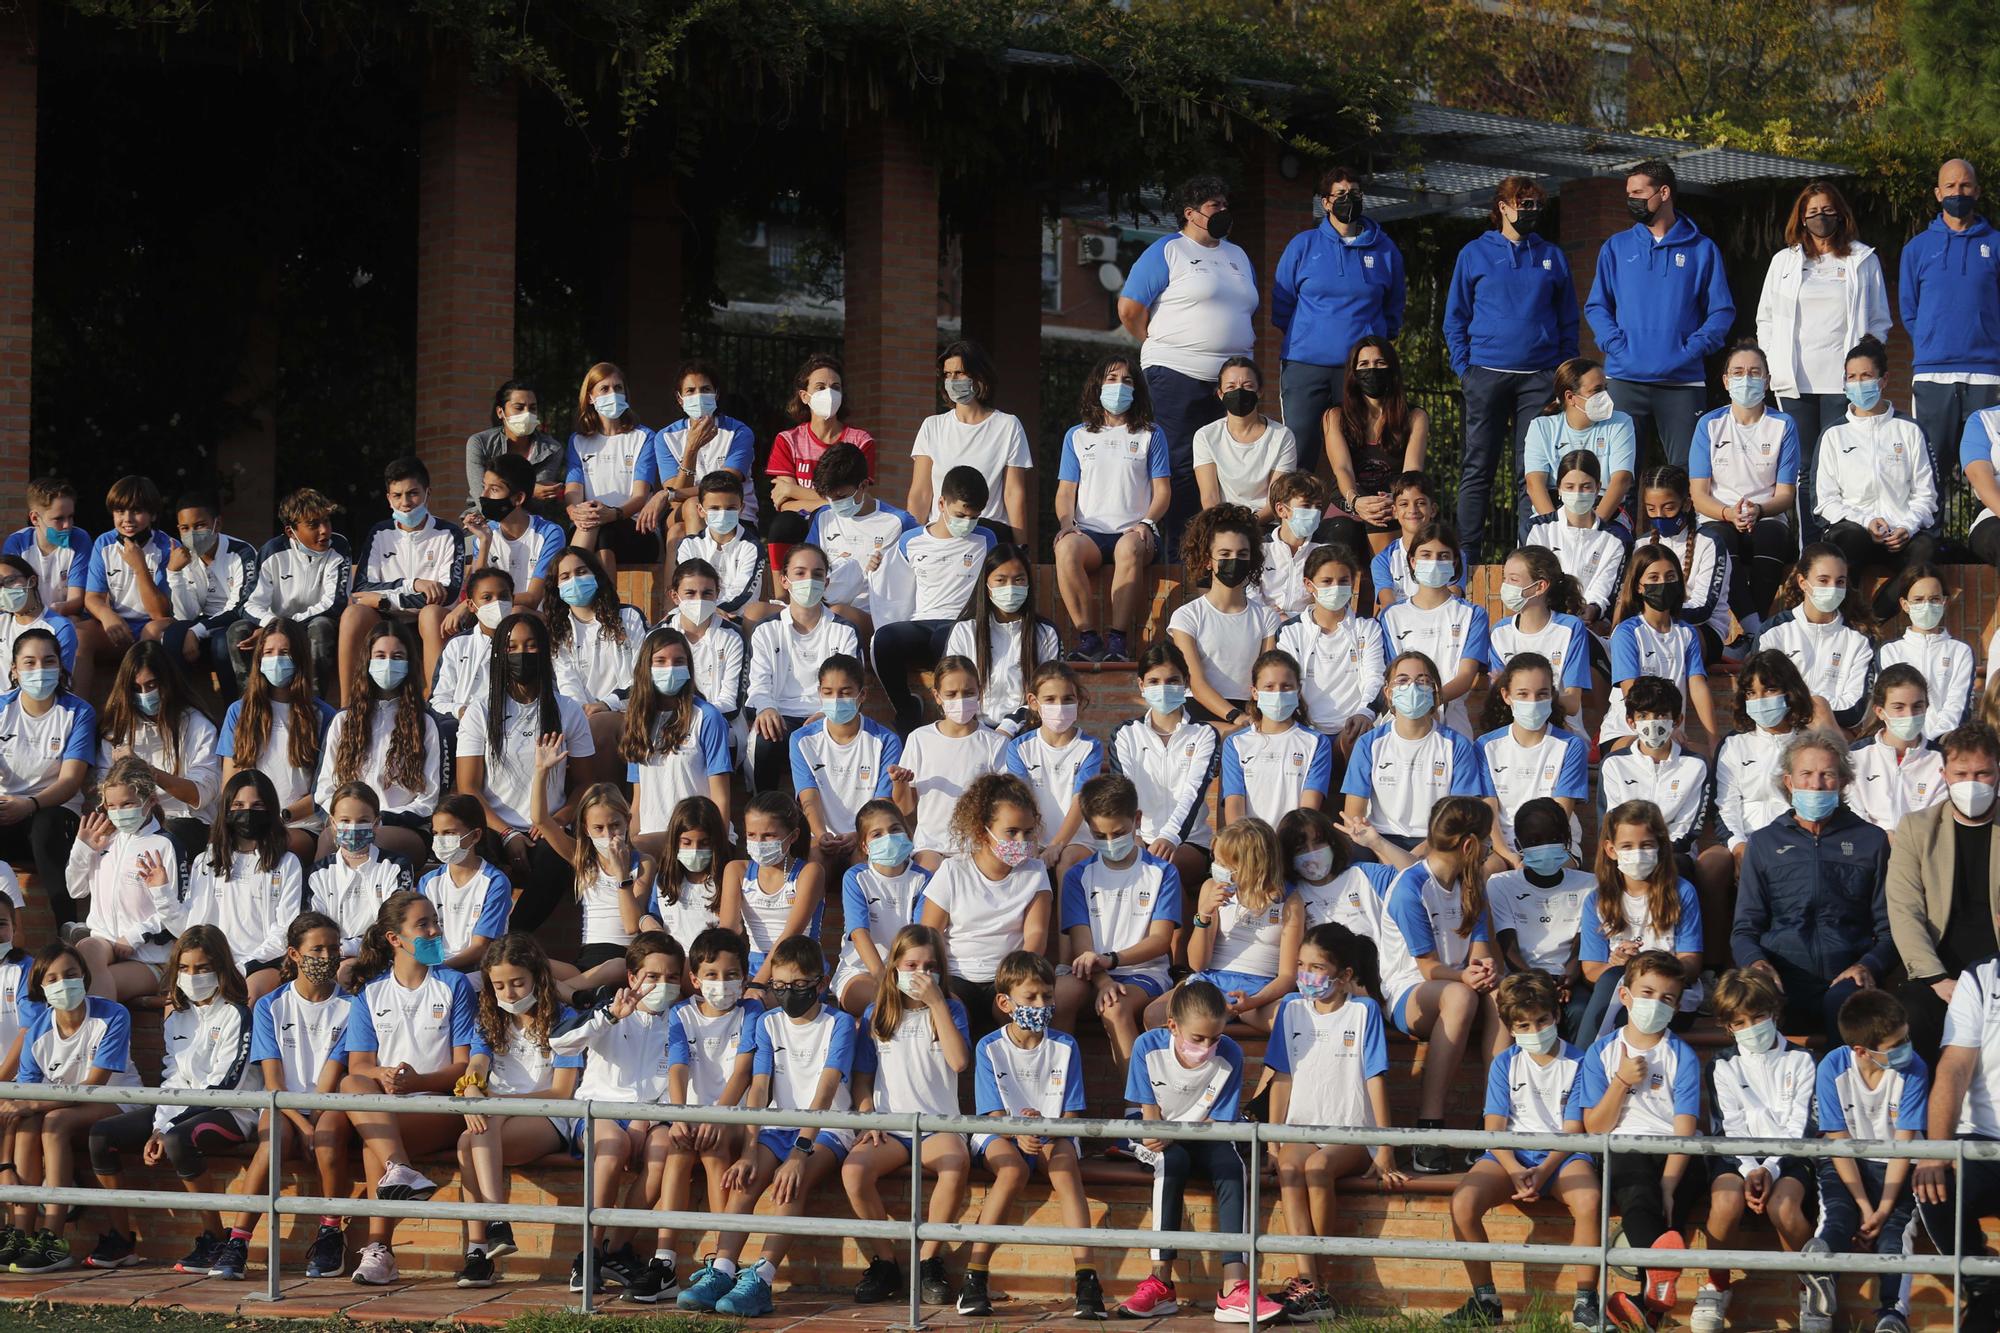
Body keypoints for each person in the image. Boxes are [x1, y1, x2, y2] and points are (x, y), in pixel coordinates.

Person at [673, 934, 856, 1319]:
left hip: (827, 1127)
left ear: (820, 984)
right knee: (744, 1179)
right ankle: (722, 1269)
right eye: (780, 986)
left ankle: (761, 1278)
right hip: (777, 1124)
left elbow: (825, 1089)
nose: (790, 994)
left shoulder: (839, 1023)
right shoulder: (769, 1023)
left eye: (800, 986)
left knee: (792, 1182)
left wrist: (800, 1153)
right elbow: (758, 1088)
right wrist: (751, 1148)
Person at [83, 925, 260, 1272]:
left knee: (179, 1140)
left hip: (234, 1110)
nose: (192, 977)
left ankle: (215, 1236)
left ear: (221, 969)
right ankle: (121, 1239)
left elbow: (225, 1085)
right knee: (102, 1135)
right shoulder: (177, 1015)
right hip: (179, 1110)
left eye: (202, 968)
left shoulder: (238, 1013)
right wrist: (162, 1122)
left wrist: (167, 1127)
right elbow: (172, 1077)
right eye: (185, 968)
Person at [331, 890, 477, 1286]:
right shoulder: (371, 992)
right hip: (387, 1105)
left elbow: (463, 1067)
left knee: (372, 1140)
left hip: (439, 1106)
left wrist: (418, 1081)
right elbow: (360, 1066)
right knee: (352, 1082)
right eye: (423, 924)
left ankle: (380, 1247)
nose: (434, 930)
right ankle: (400, 1174)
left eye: (435, 921)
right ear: (395, 938)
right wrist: (383, 1075)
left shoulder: (454, 984)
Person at [1446, 969, 1600, 1332]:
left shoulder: (1582, 1061)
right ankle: (1485, 1299)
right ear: (1511, 1027)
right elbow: (1494, 1128)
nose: (1535, 1031)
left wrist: (1544, 1171)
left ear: (1557, 1016)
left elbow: (1574, 1130)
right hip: (1508, 1156)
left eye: (1542, 1020)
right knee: (1463, 1203)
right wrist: (1515, 1169)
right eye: (1524, 1025)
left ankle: (1586, 1300)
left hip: (1564, 1156)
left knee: (1590, 1201)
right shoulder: (1505, 1062)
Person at [1268, 921, 1407, 1323]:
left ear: (1345, 975)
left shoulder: (1363, 1013)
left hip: (1351, 1133)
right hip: (1300, 1128)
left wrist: (1384, 1148)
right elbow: (1281, 1078)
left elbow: (1374, 1078)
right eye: (1301, 964)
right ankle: (1308, 1283)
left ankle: (1320, 1283)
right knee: (1292, 1167)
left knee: (1317, 1168)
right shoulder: (1291, 1010)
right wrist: (1274, 1143)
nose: (1306, 975)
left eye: (1317, 967)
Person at [1123, 980, 1279, 1324]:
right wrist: (1159, 1133)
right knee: (1170, 1160)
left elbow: (1218, 1121)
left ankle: (1234, 1287)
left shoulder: (1232, 1053)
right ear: (1173, 1026)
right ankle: (1160, 1280)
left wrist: (1181, 1132)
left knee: (1231, 1165)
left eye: (1215, 1038)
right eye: (1198, 1038)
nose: (1207, 1046)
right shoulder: (1145, 1047)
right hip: (1157, 1132)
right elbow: (1150, 1117)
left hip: (1204, 1130)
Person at [1118, 174, 1258, 552]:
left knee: (1226, 462)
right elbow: (1129, 309)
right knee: (1181, 465)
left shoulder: (1238, 255)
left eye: (1225, 206)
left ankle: (1222, 547)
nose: (1223, 212)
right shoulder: (1168, 250)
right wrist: (1159, 342)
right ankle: (1180, 552)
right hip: (1177, 375)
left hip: (1230, 381)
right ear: (1191, 214)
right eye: (1215, 207)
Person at [1446, 176, 1579, 569]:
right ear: (1502, 207)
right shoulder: (1473, 253)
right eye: (1523, 203)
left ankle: (1529, 554)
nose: (1531, 211)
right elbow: (1455, 317)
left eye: (1537, 204)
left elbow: (1568, 319)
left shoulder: (1553, 255)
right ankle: (1466, 556)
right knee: (1478, 466)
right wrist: (1464, 370)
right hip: (1485, 373)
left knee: (1532, 469)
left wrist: (1561, 373)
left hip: (1539, 378)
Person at [1568, 948, 1703, 1333]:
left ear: (1676, 1007)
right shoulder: (1602, 1052)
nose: (1655, 1004)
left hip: (1674, 1153)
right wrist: (1623, 1080)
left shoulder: (1683, 1055)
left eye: (1667, 998)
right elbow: (1595, 1126)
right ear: (1625, 995)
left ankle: (1646, 1305)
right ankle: (1655, 1290)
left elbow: (1685, 1126)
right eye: (1646, 993)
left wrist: (1671, 1182)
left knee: (1672, 1197)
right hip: (1623, 1146)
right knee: (1641, 1195)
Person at [958, 950, 1098, 1319]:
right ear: (1005, 1002)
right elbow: (992, 1114)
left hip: (1055, 1132)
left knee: (1066, 1170)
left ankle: (1087, 1279)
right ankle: (975, 1275)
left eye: (1047, 997)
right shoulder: (989, 1046)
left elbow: (1071, 1112)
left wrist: (1045, 1131)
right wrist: (1019, 1133)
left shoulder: (1066, 1046)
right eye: (1031, 997)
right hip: (1000, 1133)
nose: (1041, 1005)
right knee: (1013, 1171)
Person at [547, 930, 687, 1293]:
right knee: (612, 1148)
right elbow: (560, 1041)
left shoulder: (683, 1020)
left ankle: (618, 1248)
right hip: (598, 1112)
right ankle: (588, 1254)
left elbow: (677, 1080)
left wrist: (646, 1118)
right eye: (652, 976)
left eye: (672, 977)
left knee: (665, 1151)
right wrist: (610, 1015)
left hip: (654, 1117)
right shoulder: (607, 1010)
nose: (663, 985)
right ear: (631, 978)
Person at [843, 923, 971, 1307]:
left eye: (929, 967)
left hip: (937, 1124)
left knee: (954, 1162)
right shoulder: (876, 1012)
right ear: (895, 966)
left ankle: (928, 1260)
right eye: (911, 964)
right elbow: (862, 1080)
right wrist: (869, 1116)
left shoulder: (951, 1007)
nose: (921, 974)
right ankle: (886, 1261)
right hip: (891, 1126)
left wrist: (936, 1004)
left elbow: (960, 1061)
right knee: (854, 1171)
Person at [1374, 797, 1502, 1171]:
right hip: (1409, 992)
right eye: (1486, 840)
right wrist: (1465, 976)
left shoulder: (1471, 883)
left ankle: (1491, 1125)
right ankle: (1428, 1129)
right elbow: (1428, 967)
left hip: (1458, 982)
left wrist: (1485, 968)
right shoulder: (1410, 887)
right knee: (1460, 996)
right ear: (1468, 845)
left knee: (1503, 994)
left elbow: (1480, 950)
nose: (1491, 849)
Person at [451, 932, 584, 1289]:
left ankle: (486, 1237)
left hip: (549, 1116)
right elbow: (476, 1062)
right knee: (468, 1141)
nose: (509, 993)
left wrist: (493, 1101)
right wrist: (474, 1086)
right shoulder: (490, 1017)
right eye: (499, 986)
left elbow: (562, 1091)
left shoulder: (565, 1018)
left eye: (517, 983)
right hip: (498, 1117)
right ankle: (485, 1244)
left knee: (473, 1137)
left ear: (538, 977)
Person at [1584, 160, 1736, 470]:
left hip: (1682, 384)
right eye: (1629, 193)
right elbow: (1597, 306)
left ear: (1663, 192)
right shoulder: (1616, 247)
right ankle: (1621, 523)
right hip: (1624, 380)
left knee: (1686, 475)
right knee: (1619, 476)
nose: (1631, 200)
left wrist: (1690, 350)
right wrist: (1616, 345)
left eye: (1638, 192)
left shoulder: (1702, 249)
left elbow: (1721, 311)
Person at [634, 926, 757, 1303]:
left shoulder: (751, 1011)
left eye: (732, 975)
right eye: (712, 975)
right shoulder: (681, 1013)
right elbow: (677, 1066)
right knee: (677, 1152)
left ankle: (723, 1263)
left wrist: (719, 1117)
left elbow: (742, 1071)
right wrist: (680, 1114)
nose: (722, 984)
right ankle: (665, 1261)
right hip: (691, 1113)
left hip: (734, 1117)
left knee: (714, 1149)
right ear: (694, 979)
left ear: (746, 976)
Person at [1695, 968, 1822, 1333]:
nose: (1751, 1027)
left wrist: (1773, 1169)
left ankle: (1811, 1290)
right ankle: (1716, 1286)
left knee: (1783, 1206)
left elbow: (1801, 1125)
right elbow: (1728, 1124)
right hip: (1736, 1158)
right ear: (1727, 1026)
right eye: (1740, 1021)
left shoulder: (1803, 1060)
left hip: (1791, 1158)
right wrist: (1751, 1167)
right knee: (1724, 1203)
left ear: (1775, 1012)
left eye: (1759, 1016)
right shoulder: (1721, 1064)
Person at [0, 942, 139, 1273]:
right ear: (41, 988)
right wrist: (5, 1165)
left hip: (120, 1101)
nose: (64, 983)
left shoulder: (113, 1014)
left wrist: (36, 1102)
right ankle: (22, 1233)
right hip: (64, 1105)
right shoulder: (37, 1032)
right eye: (53, 978)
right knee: (30, 1122)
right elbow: (19, 1104)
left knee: (53, 1122)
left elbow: (94, 1087)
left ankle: (54, 1238)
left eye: (71, 974)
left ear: (84, 977)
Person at [226, 911, 350, 1281]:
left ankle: (331, 1233)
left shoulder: (353, 1006)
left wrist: (313, 1124)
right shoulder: (269, 1006)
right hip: (282, 1105)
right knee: (271, 1145)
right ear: (294, 954)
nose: (326, 957)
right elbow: (273, 1082)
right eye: (317, 949)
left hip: (330, 1105)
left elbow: (333, 1073)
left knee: (326, 1141)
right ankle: (237, 1242)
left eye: (333, 948)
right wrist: (301, 1124)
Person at [1755, 181, 1891, 512]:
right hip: (1795, 383)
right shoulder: (1783, 262)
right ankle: (1809, 546)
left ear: (1841, 214)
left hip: (1843, 383)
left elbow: (1879, 320)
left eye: (1828, 210)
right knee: (1803, 467)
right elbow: (1766, 319)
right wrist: (1772, 360)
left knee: (1840, 463)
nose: (1821, 217)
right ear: (1801, 218)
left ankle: (1840, 537)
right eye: (1813, 211)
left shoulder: (1862, 259)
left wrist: (1866, 358)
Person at [457, 614, 594, 933]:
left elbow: (587, 783)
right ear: (499, 655)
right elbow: (468, 787)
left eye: (531, 646)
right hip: (493, 826)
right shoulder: (480, 711)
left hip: (547, 824)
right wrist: (507, 833)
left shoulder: (568, 710)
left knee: (557, 860)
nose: (522, 654)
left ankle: (513, 938)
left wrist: (558, 819)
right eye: (513, 646)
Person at [1812, 989, 1928, 1333]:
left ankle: (1893, 1315)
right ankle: (1818, 1267)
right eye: (1896, 1044)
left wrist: (1881, 1210)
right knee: (1838, 1216)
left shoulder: (1915, 1069)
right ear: (1861, 1051)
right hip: (1846, 1162)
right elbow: (1839, 1142)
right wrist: (1865, 1207)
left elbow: (1903, 1149)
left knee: (1894, 1234)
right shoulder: (1831, 1067)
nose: (1906, 1047)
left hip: (1898, 1165)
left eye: (1906, 1036)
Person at [1272, 165, 1405, 461]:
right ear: (1326, 202)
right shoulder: (1303, 245)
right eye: (1341, 193)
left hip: (1361, 370)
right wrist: (1309, 336)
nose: (1350, 199)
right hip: (1306, 365)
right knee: (1299, 449)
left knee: (1361, 450)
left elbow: (1394, 306)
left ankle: (1357, 507)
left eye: (1355, 193)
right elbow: (1282, 304)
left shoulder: (1385, 250)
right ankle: (1299, 509)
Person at [1885, 722, 2000, 1062]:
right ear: (1944, 773)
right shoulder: (1916, 829)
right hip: (1937, 970)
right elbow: (1905, 911)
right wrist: (1937, 979)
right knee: (1914, 1021)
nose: (1971, 783)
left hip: (1995, 969)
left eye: (1983, 774)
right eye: (1961, 773)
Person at [1055, 773, 1180, 1070]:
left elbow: (1160, 941)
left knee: (1115, 1008)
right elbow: (1081, 947)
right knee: (1056, 998)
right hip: (1091, 971)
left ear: (1136, 819)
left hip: (1144, 972)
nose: (1110, 842)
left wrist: (1111, 961)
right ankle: (1056, 1099)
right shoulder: (1077, 876)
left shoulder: (1162, 872)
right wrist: (1103, 977)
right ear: (1088, 827)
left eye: (1118, 833)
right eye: (1100, 836)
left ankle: (1137, 1106)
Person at [1054, 354, 1168, 664]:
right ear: (1097, 386)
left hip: (1134, 532)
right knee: (1065, 549)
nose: (1119, 387)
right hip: (1088, 533)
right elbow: (1065, 491)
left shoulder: (1151, 434)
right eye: (1112, 379)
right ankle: (1088, 638)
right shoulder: (1076, 436)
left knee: (1129, 549)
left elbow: (1163, 492)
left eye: (1127, 381)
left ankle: (1117, 641)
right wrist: (1067, 523)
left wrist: (1146, 522)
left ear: (1137, 390)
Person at [1816, 336, 1939, 620]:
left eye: (1866, 376)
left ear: (1883, 380)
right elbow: (1826, 501)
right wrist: (1865, 522)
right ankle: (1848, 618)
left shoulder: (1909, 430)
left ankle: (1873, 619)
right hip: (1855, 531)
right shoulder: (1834, 435)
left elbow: (1926, 495)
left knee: (1925, 550)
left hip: (1901, 534)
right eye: (1852, 377)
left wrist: (1907, 526)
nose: (1859, 384)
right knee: (1846, 540)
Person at [919, 773, 1052, 1031]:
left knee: (1023, 1010)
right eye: (1011, 832)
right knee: (949, 1013)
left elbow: (1036, 933)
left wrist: (1016, 983)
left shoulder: (1035, 872)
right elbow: (930, 934)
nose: (1021, 842)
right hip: (956, 976)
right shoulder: (952, 871)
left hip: (1009, 977)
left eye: (1027, 832)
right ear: (983, 831)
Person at [1900, 158, 2000, 486]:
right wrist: (1933, 342)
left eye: (1965, 185)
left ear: (1977, 190)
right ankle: (1932, 537)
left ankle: (1986, 535)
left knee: (1990, 467)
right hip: (1933, 373)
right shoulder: (1917, 249)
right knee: (1930, 470)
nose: (1958, 192)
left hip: (1988, 373)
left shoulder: (1996, 244)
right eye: (1951, 186)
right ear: (1937, 193)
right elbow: (1910, 310)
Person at [1688, 339, 1800, 632]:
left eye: (1754, 372)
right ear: (1726, 381)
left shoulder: (1783, 424)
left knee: (1771, 535)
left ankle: (1753, 629)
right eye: (1738, 372)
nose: (1746, 378)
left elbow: (1786, 494)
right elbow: (1698, 496)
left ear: (1767, 381)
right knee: (1720, 541)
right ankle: (1756, 630)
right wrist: (1728, 513)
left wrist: (1758, 510)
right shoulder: (1709, 425)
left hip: (1767, 515)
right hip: (1718, 516)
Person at [873, 466, 997, 731]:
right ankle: (906, 708)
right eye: (960, 514)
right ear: (941, 503)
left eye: (974, 517)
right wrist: (874, 568)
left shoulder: (987, 539)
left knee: (947, 636)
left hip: (962, 625)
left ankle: (955, 716)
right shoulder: (910, 541)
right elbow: (892, 588)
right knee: (882, 639)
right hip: (921, 623)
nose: (967, 522)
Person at [340, 456, 465, 705]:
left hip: (429, 621)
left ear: (428, 493)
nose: (405, 503)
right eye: (397, 495)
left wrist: (383, 599)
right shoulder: (379, 532)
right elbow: (362, 590)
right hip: (385, 617)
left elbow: (447, 594)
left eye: (413, 494)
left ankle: (435, 705)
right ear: (388, 498)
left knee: (430, 613)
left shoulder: (449, 533)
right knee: (354, 614)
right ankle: (347, 706)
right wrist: (414, 584)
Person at [1576, 799, 1705, 1041]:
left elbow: (1691, 963)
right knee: (1613, 983)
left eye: (1646, 845)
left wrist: (1643, 967)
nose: (1637, 854)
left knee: (1623, 1009)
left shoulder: (1681, 892)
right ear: (1610, 850)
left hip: (1668, 998)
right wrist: (1617, 965)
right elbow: (1591, 970)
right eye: (1627, 846)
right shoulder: (1597, 900)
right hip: (1619, 994)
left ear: (1660, 847)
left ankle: (1585, 1069)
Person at [316, 623, 442, 865]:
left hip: (402, 828)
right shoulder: (344, 721)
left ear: (408, 663)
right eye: (380, 656)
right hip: (345, 826)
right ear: (368, 661)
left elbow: (429, 799)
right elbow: (325, 788)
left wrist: (375, 820)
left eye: (397, 657)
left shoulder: (424, 724)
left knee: (372, 841)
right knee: (325, 843)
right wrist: (350, 820)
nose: (388, 664)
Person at [1341, 650, 1486, 851]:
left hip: (1437, 843)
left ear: (1435, 692)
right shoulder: (1368, 744)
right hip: (1378, 841)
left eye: (1423, 681)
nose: (1412, 687)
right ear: (1388, 693)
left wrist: (1419, 855)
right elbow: (1354, 817)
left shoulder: (1457, 746)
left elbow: (1459, 817)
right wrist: (1385, 850)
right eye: (1402, 680)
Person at [744, 543, 859, 792]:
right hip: (780, 718)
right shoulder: (766, 630)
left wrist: (828, 714)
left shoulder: (844, 631)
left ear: (826, 582)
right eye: (800, 573)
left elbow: (851, 687)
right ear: (784, 581)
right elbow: (759, 683)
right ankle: (764, 809)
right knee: (764, 739)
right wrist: (766, 708)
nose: (809, 580)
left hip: (828, 717)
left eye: (817, 574)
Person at [67, 755, 183, 1002]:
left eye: (128, 804)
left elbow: (177, 910)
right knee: (85, 952)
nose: (119, 813)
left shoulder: (165, 845)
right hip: (104, 941)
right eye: (111, 806)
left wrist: (136, 934)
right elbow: (75, 890)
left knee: (92, 985)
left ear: (150, 801)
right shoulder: (104, 839)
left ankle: (102, 1038)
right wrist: (82, 850)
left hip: (150, 957)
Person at [220, 618, 334, 866]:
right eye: (269, 652)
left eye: (284, 652)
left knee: (272, 851)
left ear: (300, 658)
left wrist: (280, 817)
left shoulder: (323, 716)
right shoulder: (238, 712)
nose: (276, 659)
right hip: (248, 821)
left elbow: (325, 791)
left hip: (301, 824)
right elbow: (230, 783)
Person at [183, 769, 303, 1004]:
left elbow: (284, 931)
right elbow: (194, 921)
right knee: (177, 1002)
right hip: (213, 963)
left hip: (263, 964)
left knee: (248, 995)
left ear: (270, 810)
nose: (247, 813)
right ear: (226, 810)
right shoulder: (206, 860)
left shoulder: (288, 863)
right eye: (238, 805)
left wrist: (244, 966)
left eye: (257, 806)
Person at [0, 627, 93, 923]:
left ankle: (67, 926)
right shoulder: (2, 709)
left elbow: (70, 781)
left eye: (48, 661)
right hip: (7, 813)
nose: (39, 669)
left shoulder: (79, 712)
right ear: (14, 670)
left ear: (60, 666)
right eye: (29, 662)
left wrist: (29, 804)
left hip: (55, 816)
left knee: (46, 824)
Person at [1109, 643, 1218, 894]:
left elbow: (1194, 792)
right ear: (1141, 685)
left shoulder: (1204, 735)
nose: (1163, 688)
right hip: (1138, 839)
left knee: (1162, 871)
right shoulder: (1125, 734)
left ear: (1186, 682)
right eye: (1154, 681)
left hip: (1189, 841)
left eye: (1172, 680)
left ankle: (1165, 935)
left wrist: (1170, 836)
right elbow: (1123, 793)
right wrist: (1134, 837)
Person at [532, 773, 654, 994]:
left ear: (628, 820)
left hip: (623, 958)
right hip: (586, 961)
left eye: (615, 825)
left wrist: (621, 872)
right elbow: (541, 820)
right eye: (599, 828)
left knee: (617, 965)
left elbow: (631, 925)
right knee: (525, 961)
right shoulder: (583, 859)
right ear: (586, 829)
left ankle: (559, 993)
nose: (608, 835)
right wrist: (541, 771)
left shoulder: (644, 863)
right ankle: (571, 992)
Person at [1486, 800, 1594, 1038]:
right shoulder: (1500, 884)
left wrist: (1567, 979)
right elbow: (1509, 950)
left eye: (1554, 839)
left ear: (1567, 841)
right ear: (1518, 845)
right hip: (1521, 978)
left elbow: (1580, 946)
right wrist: (1543, 985)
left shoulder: (1589, 885)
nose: (1545, 847)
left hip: (1569, 980)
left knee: (1580, 1011)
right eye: (1534, 842)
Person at [228, 488, 349, 698]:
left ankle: (314, 707)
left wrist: (283, 630)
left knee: (321, 627)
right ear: (291, 531)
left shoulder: (339, 546)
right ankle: (250, 704)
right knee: (237, 631)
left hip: (312, 624)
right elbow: (248, 604)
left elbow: (334, 603)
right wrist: (272, 627)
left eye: (327, 521)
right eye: (313, 524)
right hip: (275, 624)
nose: (324, 531)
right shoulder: (272, 551)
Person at [1167, 504, 1280, 729]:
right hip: (1199, 714)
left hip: (1250, 713)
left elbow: (1267, 677)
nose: (1234, 560)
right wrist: (1235, 718)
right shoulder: (1187, 616)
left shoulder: (1267, 617)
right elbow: (1196, 682)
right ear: (1208, 560)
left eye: (1242, 554)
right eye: (1225, 554)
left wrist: (1251, 718)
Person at [908, 340, 1033, 543]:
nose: (952, 380)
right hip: (941, 535)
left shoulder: (1008, 425)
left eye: (959, 373)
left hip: (988, 534)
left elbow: (1014, 493)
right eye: (948, 375)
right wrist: (914, 541)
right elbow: (921, 494)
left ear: (978, 376)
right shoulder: (932, 426)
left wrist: (1020, 548)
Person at [1601, 543, 1718, 753]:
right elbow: (1631, 691)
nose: (1663, 583)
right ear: (1639, 586)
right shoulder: (1627, 632)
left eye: (1670, 576)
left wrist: (1713, 740)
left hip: (1670, 735)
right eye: (1654, 578)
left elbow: (1698, 685)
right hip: (1627, 732)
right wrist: (1661, 728)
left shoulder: (1687, 633)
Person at [891, 656, 1007, 868]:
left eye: (968, 693)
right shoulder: (919, 738)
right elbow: (905, 807)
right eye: (951, 694)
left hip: (978, 847)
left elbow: (1003, 804)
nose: (960, 700)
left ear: (979, 691)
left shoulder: (996, 743)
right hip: (931, 846)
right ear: (937, 696)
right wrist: (900, 782)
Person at [624, 626, 733, 852]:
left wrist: (716, 849)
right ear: (646, 666)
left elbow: (721, 797)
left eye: (679, 661)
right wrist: (630, 845)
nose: (670, 668)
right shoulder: (638, 720)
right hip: (650, 838)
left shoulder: (707, 717)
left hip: (698, 837)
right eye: (661, 661)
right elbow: (638, 800)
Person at [1378, 520, 1491, 738]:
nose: (1434, 562)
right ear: (1412, 561)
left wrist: (1431, 703)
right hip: (1400, 717)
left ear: (1455, 561)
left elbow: (1466, 675)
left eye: (1443, 556)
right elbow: (1391, 675)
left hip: (1452, 718)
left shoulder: (1473, 615)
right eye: (1426, 555)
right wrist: (1413, 707)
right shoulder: (1390, 616)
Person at [764, 353, 875, 572]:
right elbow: (784, 505)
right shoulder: (787, 440)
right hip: (801, 523)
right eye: (821, 387)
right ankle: (781, 597)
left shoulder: (861, 441)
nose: (830, 393)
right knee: (783, 524)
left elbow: (857, 499)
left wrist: (793, 489)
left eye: (836, 387)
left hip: (848, 523)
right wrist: (832, 501)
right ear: (804, 396)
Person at [1321, 338, 1430, 557]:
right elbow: (1342, 468)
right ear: (1353, 372)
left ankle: (1384, 589)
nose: (1372, 370)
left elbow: (1411, 471)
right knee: (1341, 534)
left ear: (1392, 368)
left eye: (1380, 363)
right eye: (1364, 364)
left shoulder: (1415, 417)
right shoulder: (1335, 416)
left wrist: (1394, 499)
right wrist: (1355, 500)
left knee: (1382, 522)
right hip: (1348, 501)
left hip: (1392, 503)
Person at [547, 545, 648, 779]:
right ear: (557, 587)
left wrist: (607, 704)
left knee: (598, 728)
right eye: (565, 576)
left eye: (581, 572)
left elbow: (643, 677)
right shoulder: (558, 632)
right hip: (581, 716)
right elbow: (567, 683)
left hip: (629, 712)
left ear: (596, 575)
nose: (575, 580)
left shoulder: (629, 617)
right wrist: (582, 712)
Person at [1712, 650, 1816, 877]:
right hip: (1746, 840)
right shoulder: (1732, 745)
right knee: (1710, 866)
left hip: (1796, 842)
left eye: (1769, 690)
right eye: (1751, 693)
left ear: (1789, 692)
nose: (1760, 700)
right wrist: (1738, 846)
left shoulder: (1811, 744)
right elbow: (1725, 805)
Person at [1756, 543, 1877, 735]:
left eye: (1840, 582)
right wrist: (1820, 707)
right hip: (1779, 734)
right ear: (1803, 582)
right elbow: (1764, 699)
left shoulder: (1859, 640)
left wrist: (1809, 707)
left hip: (1834, 736)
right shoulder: (1773, 632)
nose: (1833, 588)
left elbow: (1854, 712)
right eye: (1823, 580)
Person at [303, 781, 416, 985]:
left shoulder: (397, 866)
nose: (353, 827)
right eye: (345, 820)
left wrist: (349, 950)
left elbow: (393, 923)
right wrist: (336, 951)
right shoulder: (318, 873)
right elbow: (313, 925)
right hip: (328, 957)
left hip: (381, 955)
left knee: (347, 973)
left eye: (363, 820)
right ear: (333, 823)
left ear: (376, 822)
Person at [1477, 653, 1589, 858]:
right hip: (1501, 849)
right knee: (1486, 876)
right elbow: (1489, 812)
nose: (1533, 701)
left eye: (1542, 694)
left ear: (1552, 696)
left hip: (1556, 846)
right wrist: (1507, 854)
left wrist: (1534, 857)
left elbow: (1560, 814)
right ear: (1506, 696)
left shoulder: (1571, 746)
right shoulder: (1485, 746)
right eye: (1523, 694)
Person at [1277, 544, 1386, 754]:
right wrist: (1303, 727)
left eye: (1343, 581)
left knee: (1357, 742)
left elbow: (1375, 677)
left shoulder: (1368, 627)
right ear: (1309, 585)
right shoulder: (1290, 631)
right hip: (1304, 730)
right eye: (1326, 581)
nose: (1336, 587)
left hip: (1354, 728)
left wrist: (1364, 713)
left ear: (1353, 582)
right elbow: (1289, 683)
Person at [637, 361, 758, 544]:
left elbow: (724, 486)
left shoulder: (739, 433)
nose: (698, 396)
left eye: (705, 389)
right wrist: (691, 450)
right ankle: (701, 570)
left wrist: (667, 493)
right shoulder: (666, 437)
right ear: (680, 398)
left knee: (678, 532)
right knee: (692, 507)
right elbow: (676, 502)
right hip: (685, 509)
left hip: (733, 513)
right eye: (690, 391)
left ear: (716, 394)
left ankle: (698, 570)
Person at [830, 800, 931, 1018]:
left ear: (907, 832)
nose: (888, 837)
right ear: (865, 846)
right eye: (877, 834)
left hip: (912, 970)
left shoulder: (923, 878)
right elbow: (859, 933)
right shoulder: (856, 878)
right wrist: (885, 979)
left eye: (895, 829)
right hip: (861, 971)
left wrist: (906, 977)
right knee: (885, 1000)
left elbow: (921, 936)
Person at [1004, 663, 1104, 880]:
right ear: (1033, 702)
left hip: (1078, 840)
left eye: (1068, 699)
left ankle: (1066, 916)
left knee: (1066, 861)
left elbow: (1081, 801)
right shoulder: (1019, 748)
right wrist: (1030, 845)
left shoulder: (1090, 747)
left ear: (1078, 701)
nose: (1060, 706)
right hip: (1031, 839)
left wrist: (1057, 845)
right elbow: (1021, 801)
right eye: (1050, 699)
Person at [804, 442, 916, 634]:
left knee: (838, 615)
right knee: (758, 612)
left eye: (841, 497)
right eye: (830, 498)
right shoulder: (822, 517)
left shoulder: (900, 521)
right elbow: (806, 566)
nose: (835, 504)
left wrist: (888, 568)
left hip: (873, 617)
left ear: (863, 486)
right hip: (820, 608)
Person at [944, 545, 1061, 729]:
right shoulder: (965, 630)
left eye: (1019, 579)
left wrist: (1009, 726)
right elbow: (951, 686)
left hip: (1025, 730)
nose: (1011, 587)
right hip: (972, 729)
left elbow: (1049, 692)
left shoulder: (1045, 633)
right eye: (1001, 580)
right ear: (987, 584)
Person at [1521, 358, 1638, 537]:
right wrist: (1556, 531)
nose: (1605, 396)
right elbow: (1534, 484)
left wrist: (1593, 529)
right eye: (1596, 390)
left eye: (1605, 388)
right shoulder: (1541, 427)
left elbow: (1621, 480)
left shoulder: (1621, 422)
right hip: (1554, 512)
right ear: (1570, 397)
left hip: (1605, 512)